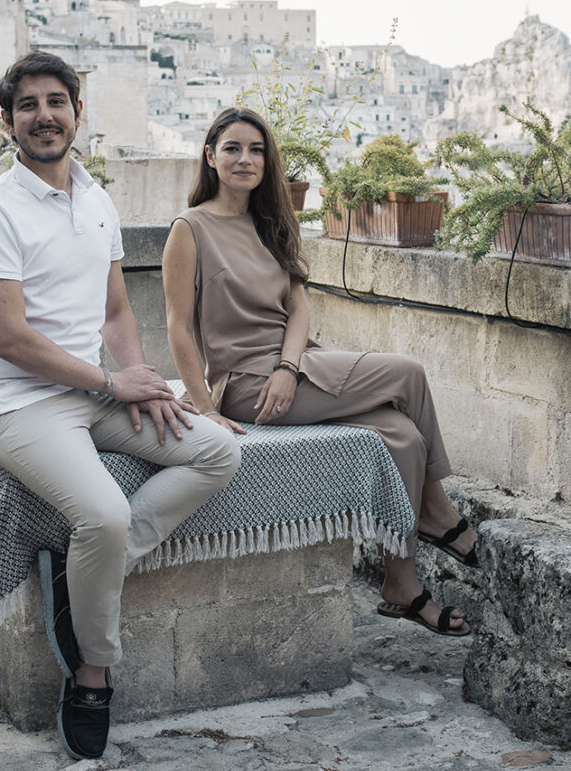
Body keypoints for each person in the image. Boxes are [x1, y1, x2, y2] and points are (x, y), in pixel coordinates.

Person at [0, 53, 240, 761]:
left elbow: (114, 308)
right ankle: (92, 668)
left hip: (91, 389)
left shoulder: (96, 199)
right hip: (16, 402)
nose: (45, 114)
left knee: (218, 449)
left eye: (58, 101)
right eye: (29, 105)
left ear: (79, 114)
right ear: (8, 121)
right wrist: (112, 383)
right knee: (104, 513)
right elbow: (11, 339)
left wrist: (138, 372)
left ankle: (85, 573)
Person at [162, 106, 477, 639]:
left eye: (257, 150)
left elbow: (299, 304)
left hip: (294, 366)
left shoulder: (269, 223)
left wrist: (289, 365)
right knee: (408, 373)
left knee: (401, 436)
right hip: (245, 386)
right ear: (210, 157)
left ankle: (400, 584)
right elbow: (176, 327)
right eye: (232, 148)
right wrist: (208, 408)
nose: (245, 159)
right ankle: (440, 513)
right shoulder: (189, 230)